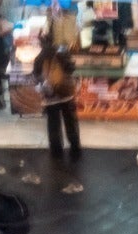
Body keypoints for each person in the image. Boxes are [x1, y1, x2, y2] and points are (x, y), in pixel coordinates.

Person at [34, 41, 82, 169]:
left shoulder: (40, 57)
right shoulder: (63, 52)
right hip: (66, 94)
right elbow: (72, 69)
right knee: (71, 122)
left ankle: (56, 152)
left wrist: (42, 87)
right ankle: (75, 147)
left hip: (50, 97)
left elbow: (36, 75)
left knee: (53, 124)